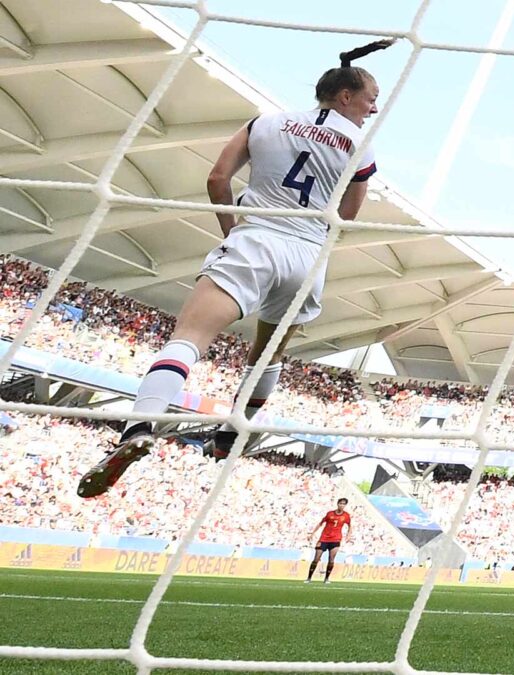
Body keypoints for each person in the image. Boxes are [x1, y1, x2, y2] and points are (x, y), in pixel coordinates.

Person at [77, 40, 393, 498]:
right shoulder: (360, 148)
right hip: (307, 257)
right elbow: (346, 218)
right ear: (345, 96)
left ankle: (139, 426)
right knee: (268, 354)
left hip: (255, 239)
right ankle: (231, 434)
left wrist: (232, 229)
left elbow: (217, 179)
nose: (374, 106)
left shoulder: (265, 123)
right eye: (370, 97)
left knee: (189, 338)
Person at [307, 497, 352, 584]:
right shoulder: (330, 514)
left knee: (331, 559)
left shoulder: (346, 516)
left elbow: (350, 526)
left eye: (344, 504)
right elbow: (321, 523)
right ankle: (309, 578)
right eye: (340, 503)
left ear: (345, 505)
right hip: (324, 538)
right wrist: (312, 533)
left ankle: (326, 579)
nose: (342, 505)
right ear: (337, 504)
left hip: (335, 539)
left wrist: (348, 535)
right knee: (316, 558)